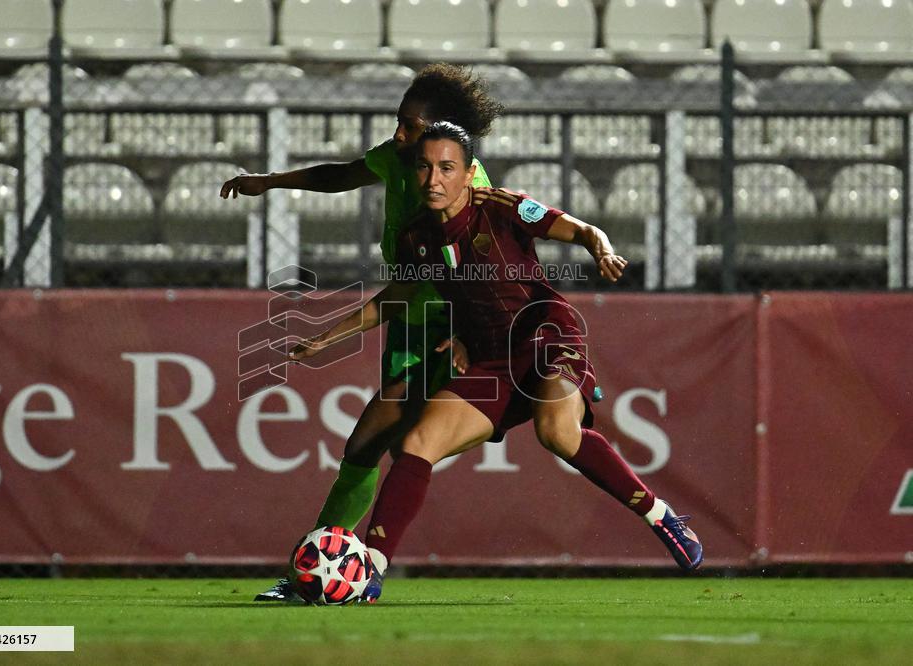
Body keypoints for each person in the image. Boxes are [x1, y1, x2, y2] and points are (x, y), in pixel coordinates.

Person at [291, 122, 703, 602]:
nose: (433, 179)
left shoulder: (502, 207)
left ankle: (661, 515)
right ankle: (372, 570)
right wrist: (327, 337)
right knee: (418, 443)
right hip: (490, 359)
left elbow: (583, 230)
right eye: (425, 168)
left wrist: (602, 248)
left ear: (469, 175)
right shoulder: (416, 238)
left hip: (547, 336)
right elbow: (393, 298)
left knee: (556, 432)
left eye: (447, 168)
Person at [221, 65, 504, 602]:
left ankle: (338, 573)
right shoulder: (406, 158)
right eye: (399, 125)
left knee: (376, 443)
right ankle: (341, 572)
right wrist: (273, 182)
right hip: (413, 326)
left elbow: (487, 277)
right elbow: (345, 173)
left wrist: (473, 334)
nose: (398, 135)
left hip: (455, 331)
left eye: (409, 126)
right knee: (380, 447)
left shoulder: (466, 192)